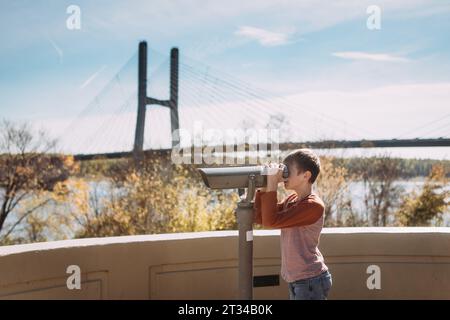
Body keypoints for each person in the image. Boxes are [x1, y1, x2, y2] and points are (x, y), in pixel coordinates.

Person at [254, 148, 332, 300]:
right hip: (299, 280)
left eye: (287, 170)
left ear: (306, 175)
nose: (284, 175)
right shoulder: (292, 200)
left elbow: (270, 222)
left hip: (311, 280)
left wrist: (272, 185)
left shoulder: (313, 206)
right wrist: (264, 187)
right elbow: (260, 217)